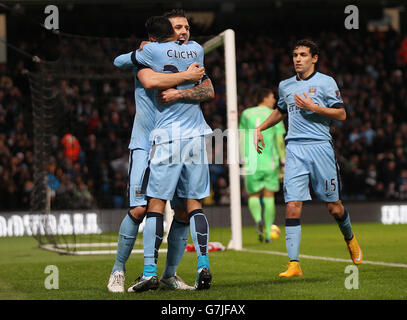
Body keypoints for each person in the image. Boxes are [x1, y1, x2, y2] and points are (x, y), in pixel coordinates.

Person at [107, 15, 214, 292]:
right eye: (178, 27)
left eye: (187, 27)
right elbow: (144, 76)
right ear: (164, 32)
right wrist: (187, 76)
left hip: (174, 139)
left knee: (180, 210)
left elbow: (208, 89)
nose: (183, 32)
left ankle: (168, 274)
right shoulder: (146, 57)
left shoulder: (187, 55)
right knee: (141, 207)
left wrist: (185, 89)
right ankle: (119, 269)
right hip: (147, 141)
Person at [254, 39, 363, 277]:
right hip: (294, 149)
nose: (297, 59)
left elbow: (341, 114)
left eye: (303, 55)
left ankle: (350, 237)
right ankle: (294, 264)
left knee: (334, 208)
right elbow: (281, 111)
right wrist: (260, 128)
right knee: (292, 205)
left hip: (320, 148)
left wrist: (315, 108)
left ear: (314, 58)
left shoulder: (326, 82)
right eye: (295, 55)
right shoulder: (285, 85)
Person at [239, 88, 286, 243]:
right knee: (269, 195)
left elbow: (241, 137)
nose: (274, 100)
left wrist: (241, 158)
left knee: (253, 195)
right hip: (270, 161)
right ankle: (267, 233)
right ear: (265, 97)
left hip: (252, 160)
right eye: (273, 97)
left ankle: (258, 219)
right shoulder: (274, 114)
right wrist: (283, 160)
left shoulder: (246, 114)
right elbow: (279, 140)